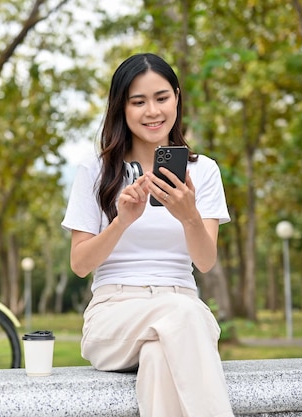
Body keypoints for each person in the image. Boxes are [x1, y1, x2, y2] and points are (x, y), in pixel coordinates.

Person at [61, 53, 234, 417]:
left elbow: (204, 261)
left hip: (181, 306)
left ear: (177, 97)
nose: (152, 111)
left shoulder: (203, 172)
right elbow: (79, 264)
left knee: (159, 355)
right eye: (138, 102)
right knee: (185, 315)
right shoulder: (95, 171)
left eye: (161, 98)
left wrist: (189, 216)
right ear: (121, 109)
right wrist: (122, 220)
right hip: (115, 316)